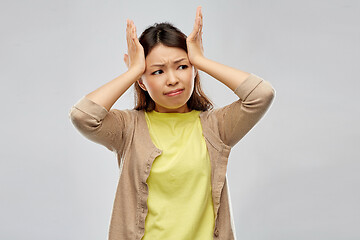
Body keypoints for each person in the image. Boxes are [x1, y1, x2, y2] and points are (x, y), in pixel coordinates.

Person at [69, 6, 275, 240]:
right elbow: (83, 116)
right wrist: (134, 72)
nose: (173, 79)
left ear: (193, 71)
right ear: (143, 82)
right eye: (157, 72)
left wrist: (200, 60)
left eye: (182, 66)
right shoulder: (128, 127)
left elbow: (261, 95)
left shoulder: (217, 126)